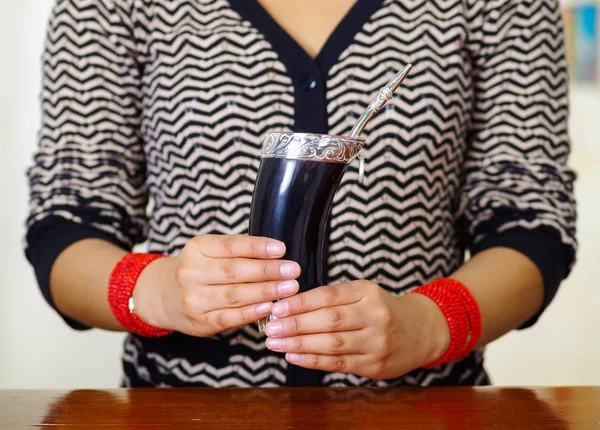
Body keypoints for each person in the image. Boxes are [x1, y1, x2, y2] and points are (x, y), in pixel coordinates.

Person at [25, 0, 577, 388]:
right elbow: (65, 223)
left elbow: (533, 223)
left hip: (423, 408)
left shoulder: (507, 5)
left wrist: (432, 325)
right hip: (182, 406)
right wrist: (155, 289)